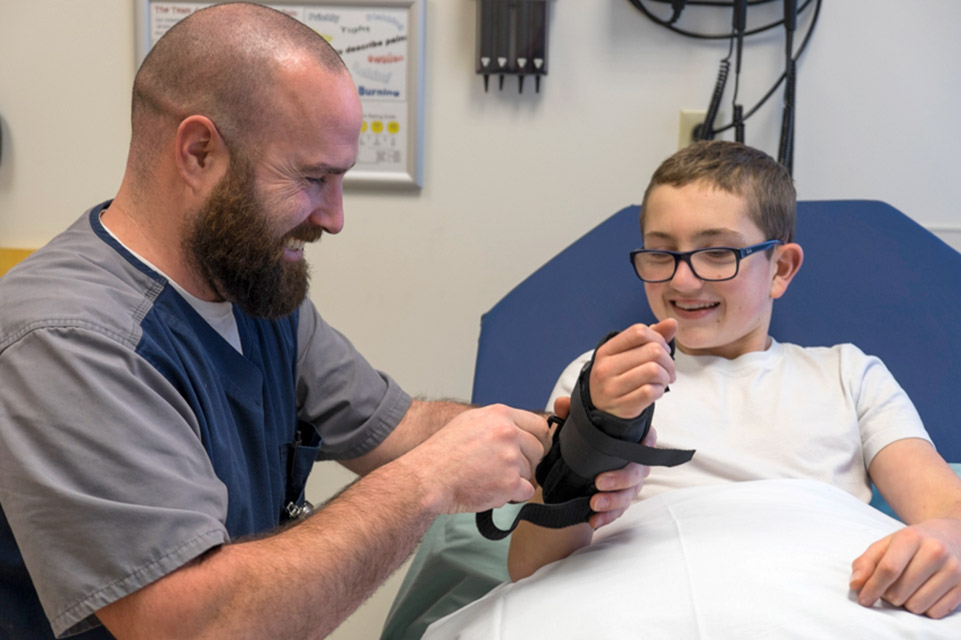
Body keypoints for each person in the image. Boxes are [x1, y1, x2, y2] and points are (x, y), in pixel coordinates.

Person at [0, 5, 644, 639]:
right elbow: (193, 626)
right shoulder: (68, 341)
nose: (334, 217)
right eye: (312, 177)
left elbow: (400, 429)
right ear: (198, 153)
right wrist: (428, 484)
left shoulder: (248, 286)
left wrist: (572, 447)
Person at [507, 140, 961, 620]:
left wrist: (949, 538)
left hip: (817, 602)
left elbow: (944, 507)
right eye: (661, 253)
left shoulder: (849, 375)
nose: (681, 282)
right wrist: (595, 429)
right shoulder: (602, 377)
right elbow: (530, 566)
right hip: (641, 603)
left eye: (718, 252)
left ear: (780, 269)